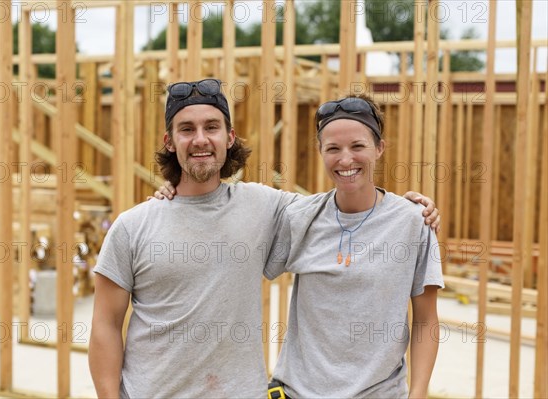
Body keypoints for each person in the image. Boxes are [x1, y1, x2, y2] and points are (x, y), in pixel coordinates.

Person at [89, 79, 439, 398]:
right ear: (170, 141)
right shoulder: (133, 226)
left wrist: (412, 209)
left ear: (229, 137)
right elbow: (105, 324)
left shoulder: (265, 207)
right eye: (186, 129)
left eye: (211, 127)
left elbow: (350, 204)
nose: (200, 139)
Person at [263, 94, 444, 398]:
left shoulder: (413, 222)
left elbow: (426, 319)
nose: (345, 159)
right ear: (320, 151)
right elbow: (226, 213)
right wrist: (173, 189)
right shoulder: (299, 218)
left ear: (379, 148)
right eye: (333, 148)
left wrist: (419, 393)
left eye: (358, 146)